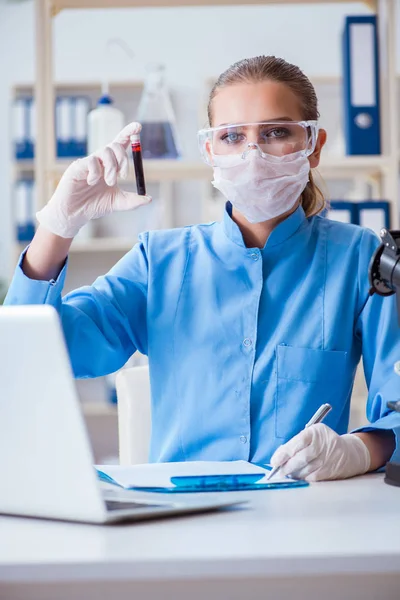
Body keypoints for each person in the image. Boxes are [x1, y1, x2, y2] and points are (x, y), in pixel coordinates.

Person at [5, 56, 399, 481]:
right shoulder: (160, 260)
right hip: (177, 520)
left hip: (302, 512)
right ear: (210, 151)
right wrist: (57, 227)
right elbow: (42, 355)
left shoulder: (364, 261)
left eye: (276, 132)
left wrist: (356, 450)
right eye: (232, 136)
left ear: (313, 146)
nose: (253, 154)